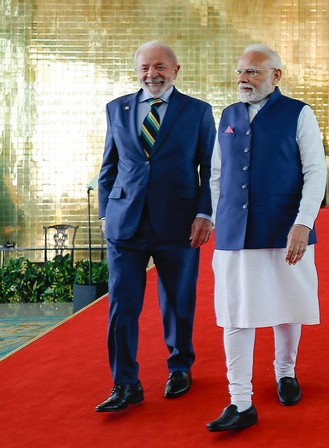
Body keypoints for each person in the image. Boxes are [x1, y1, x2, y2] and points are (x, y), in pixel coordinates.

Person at [205, 44, 327, 432]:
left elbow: (315, 171)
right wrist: (212, 216)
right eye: (240, 71)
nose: (243, 79)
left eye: (253, 72)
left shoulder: (299, 113)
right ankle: (240, 401)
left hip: (283, 226)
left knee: (287, 304)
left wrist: (303, 222)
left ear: (276, 76)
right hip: (234, 232)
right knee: (235, 314)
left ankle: (285, 372)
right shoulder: (227, 115)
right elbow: (217, 174)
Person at [96, 41, 215, 412]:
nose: (153, 74)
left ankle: (180, 367)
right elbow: (108, 167)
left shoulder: (197, 111)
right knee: (122, 306)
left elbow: (211, 168)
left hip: (179, 223)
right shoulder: (117, 108)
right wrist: (104, 213)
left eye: (160, 67)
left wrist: (205, 214)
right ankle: (125, 383)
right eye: (145, 68)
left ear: (176, 70)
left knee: (179, 302)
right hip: (124, 224)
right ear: (137, 71)